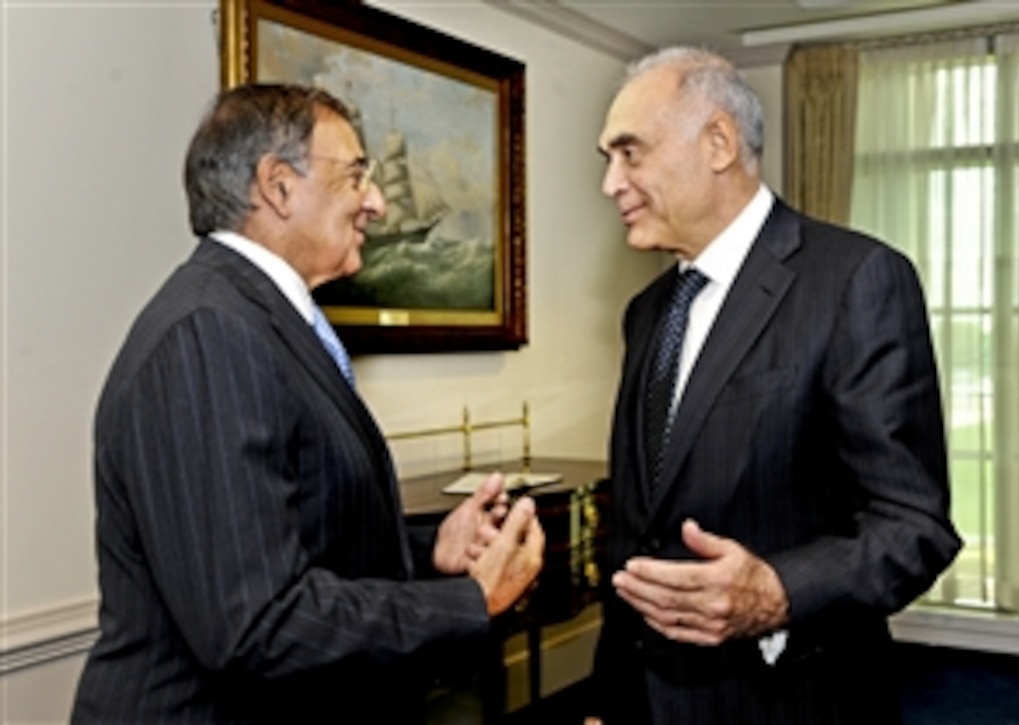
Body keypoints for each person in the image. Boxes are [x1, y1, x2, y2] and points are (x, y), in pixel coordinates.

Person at [71, 83, 544, 723]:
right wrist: (470, 602)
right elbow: (255, 623)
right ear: (278, 186)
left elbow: (297, 536)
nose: (375, 202)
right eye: (355, 175)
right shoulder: (209, 335)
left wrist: (429, 555)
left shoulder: (255, 321)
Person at [586, 47, 962, 724]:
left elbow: (914, 527)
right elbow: (636, 538)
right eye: (607, 159)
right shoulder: (645, 313)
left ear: (719, 143)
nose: (611, 182)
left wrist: (776, 590)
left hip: (792, 698)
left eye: (630, 153)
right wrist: (609, 699)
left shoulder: (857, 279)